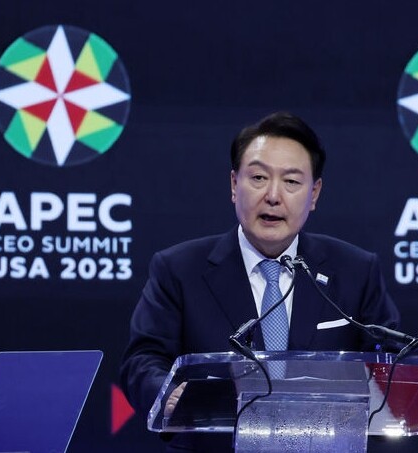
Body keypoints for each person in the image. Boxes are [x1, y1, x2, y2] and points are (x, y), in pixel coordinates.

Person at [120, 111, 400, 452]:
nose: (273, 195)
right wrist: (168, 394)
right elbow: (143, 359)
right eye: (258, 178)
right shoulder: (178, 269)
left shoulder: (356, 270)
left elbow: (391, 361)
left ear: (314, 194)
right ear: (234, 185)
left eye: (292, 182)